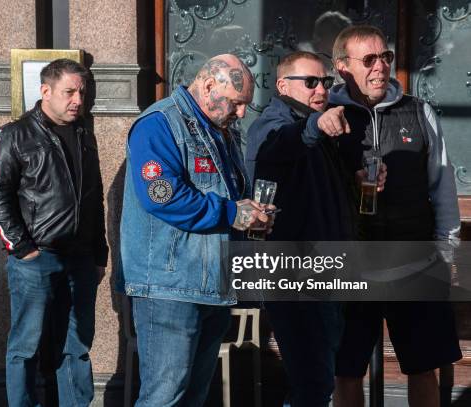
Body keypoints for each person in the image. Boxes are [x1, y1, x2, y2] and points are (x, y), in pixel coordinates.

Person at [118, 54, 274, 406]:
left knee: (194, 395)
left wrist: (251, 215)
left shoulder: (219, 132)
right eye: (236, 103)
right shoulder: (159, 123)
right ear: (207, 87)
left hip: (211, 284)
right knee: (164, 396)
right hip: (169, 287)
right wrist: (233, 212)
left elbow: (227, 198)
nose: (241, 114)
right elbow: (162, 195)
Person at [330, 25, 462, 407]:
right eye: (368, 59)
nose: (380, 67)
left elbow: (442, 184)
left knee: (423, 366)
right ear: (342, 67)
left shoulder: (418, 112)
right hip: (351, 267)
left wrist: (446, 250)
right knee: (346, 368)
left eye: (385, 57)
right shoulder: (327, 117)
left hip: (414, 262)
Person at [0, 58, 108, 407]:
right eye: (69, 92)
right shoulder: (14, 135)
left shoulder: (86, 134)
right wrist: (22, 248)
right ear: (45, 91)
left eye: (81, 92)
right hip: (35, 259)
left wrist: (99, 253)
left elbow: (93, 197)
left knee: (76, 345)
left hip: (81, 260)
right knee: (25, 347)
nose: (78, 100)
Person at [246, 50, 359, 407]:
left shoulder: (314, 124)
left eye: (325, 82)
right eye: (309, 82)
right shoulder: (274, 124)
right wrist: (315, 126)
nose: (320, 89)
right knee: (311, 384)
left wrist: (356, 179)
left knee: (318, 380)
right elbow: (282, 143)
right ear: (282, 85)